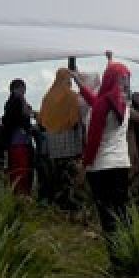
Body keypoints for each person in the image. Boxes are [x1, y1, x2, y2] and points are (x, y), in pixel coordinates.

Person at [78, 59, 132, 251]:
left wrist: (84, 167)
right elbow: (97, 101)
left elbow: (93, 141)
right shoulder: (124, 104)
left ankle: (117, 259)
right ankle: (130, 254)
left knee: (107, 215)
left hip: (101, 166)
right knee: (122, 212)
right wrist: (81, 87)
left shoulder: (103, 105)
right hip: (121, 164)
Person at [39, 65, 88, 209]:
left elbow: (42, 120)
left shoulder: (47, 97)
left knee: (57, 174)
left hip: (53, 143)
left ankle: (56, 203)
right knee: (70, 175)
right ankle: (70, 204)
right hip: (70, 143)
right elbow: (75, 121)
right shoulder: (72, 96)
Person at [1, 79, 35, 196]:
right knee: (22, 172)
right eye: (23, 88)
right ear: (18, 88)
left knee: (16, 172)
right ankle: (23, 196)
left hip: (14, 143)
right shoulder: (17, 101)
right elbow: (22, 118)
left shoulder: (10, 102)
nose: (24, 91)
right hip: (20, 142)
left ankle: (17, 196)